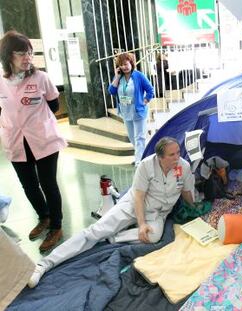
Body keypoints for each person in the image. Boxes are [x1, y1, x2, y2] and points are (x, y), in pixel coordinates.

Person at [28, 136, 195, 288]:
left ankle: (113, 237)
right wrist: (142, 223)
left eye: (178, 152)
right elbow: (138, 197)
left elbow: (186, 192)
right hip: (134, 205)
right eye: (172, 155)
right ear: (160, 157)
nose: (177, 157)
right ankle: (44, 265)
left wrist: (196, 208)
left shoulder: (184, 167)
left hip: (158, 213)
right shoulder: (146, 165)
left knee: (154, 237)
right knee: (94, 232)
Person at [0, 31, 67, 252]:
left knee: (48, 184)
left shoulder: (41, 78)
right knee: (29, 185)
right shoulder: (1, 82)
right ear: (9, 56)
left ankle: (56, 226)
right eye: (22, 53)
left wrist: (36, 121)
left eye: (30, 52)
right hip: (15, 141)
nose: (28, 57)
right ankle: (44, 216)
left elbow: (54, 106)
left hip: (44, 140)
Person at [108, 53, 154, 166]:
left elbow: (150, 90)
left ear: (131, 63)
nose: (124, 67)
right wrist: (117, 76)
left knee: (139, 137)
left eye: (126, 64)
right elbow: (111, 91)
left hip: (138, 111)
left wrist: (144, 101)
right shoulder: (120, 78)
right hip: (125, 111)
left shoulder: (138, 76)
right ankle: (142, 156)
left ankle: (139, 161)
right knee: (132, 137)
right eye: (121, 65)